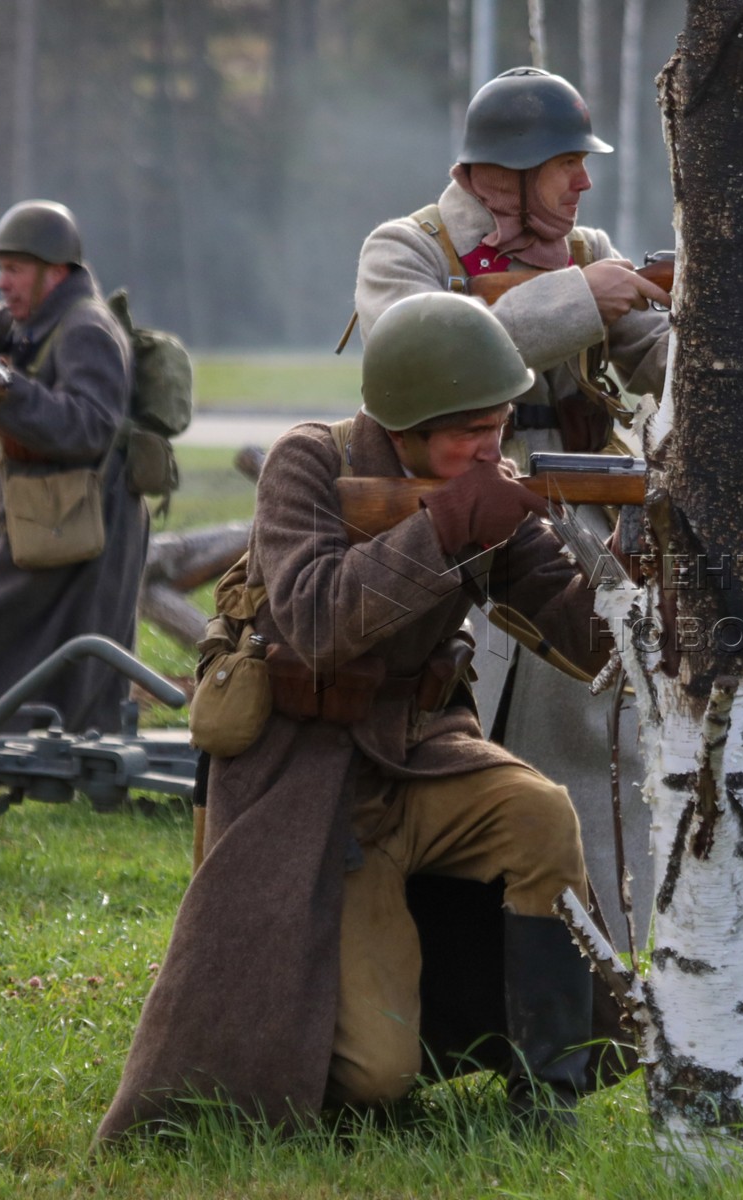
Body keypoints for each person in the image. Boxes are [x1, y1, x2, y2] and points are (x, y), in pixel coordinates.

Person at [98, 293, 619, 1142]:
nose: (492, 451)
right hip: (309, 781)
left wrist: (637, 581)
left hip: (425, 757)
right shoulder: (309, 462)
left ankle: (549, 1090)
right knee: (376, 1078)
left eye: (499, 427)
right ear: (407, 425)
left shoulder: (479, 484)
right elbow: (314, 617)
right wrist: (447, 528)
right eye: (470, 433)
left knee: (539, 815)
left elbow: (576, 625)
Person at [354, 67, 743, 951]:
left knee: (592, 762)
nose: (585, 182)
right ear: (499, 177)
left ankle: (585, 970)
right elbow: (400, 359)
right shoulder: (405, 250)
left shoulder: (588, 248)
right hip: (447, 530)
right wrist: (579, 300)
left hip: (579, 538)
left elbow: (681, 380)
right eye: (567, 162)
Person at [0, 200, 145, 734]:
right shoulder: (37, 318)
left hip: (81, 515)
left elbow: (90, 427)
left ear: (53, 272)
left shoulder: (86, 329)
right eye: (2, 269)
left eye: (13, 269)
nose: (2, 284)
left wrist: (8, 389)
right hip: (43, 510)